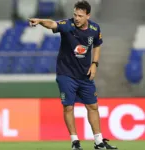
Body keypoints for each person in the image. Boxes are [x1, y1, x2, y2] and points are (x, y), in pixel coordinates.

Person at [29, 0, 118, 150]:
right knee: (68, 107)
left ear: (88, 16)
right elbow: (52, 24)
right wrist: (40, 21)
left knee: (93, 106)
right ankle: (75, 141)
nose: (76, 18)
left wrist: (94, 64)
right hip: (66, 74)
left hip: (85, 75)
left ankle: (98, 142)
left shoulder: (95, 28)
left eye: (80, 16)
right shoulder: (67, 25)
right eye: (75, 14)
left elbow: (97, 45)